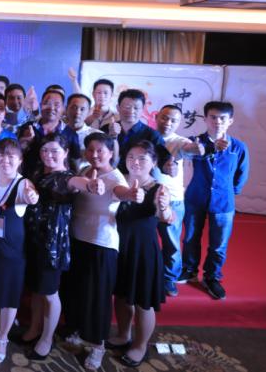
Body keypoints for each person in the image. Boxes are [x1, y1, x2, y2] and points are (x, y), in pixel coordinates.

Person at [22, 134, 104, 361]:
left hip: (53, 244)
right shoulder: (38, 173)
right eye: (45, 150)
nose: (49, 155)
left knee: (50, 293)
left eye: (55, 151)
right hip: (33, 238)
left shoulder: (67, 177)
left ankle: (47, 338)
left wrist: (91, 185)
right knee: (37, 289)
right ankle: (34, 328)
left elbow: (79, 183)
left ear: (66, 153)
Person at [63, 132, 140, 370]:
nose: (94, 154)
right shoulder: (85, 170)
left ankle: (98, 345)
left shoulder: (115, 177)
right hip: (77, 239)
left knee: (98, 297)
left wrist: (131, 194)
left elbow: (121, 191)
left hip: (101, 244)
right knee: (78, 290)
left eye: (100, 150)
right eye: (90, 150)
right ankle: (77, 329)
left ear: (110, 152)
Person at [108, 141, 173, 368]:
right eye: (131, 157)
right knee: (121, 295)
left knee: (143, 302)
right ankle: (123, 334)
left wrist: (164, 207)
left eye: (142, 158)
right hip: (117, 246)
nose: (135, 162)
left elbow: (167, 218)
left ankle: (140, 345)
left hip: (143, 251)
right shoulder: (118, 180)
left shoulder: (159, 188)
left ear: (153, 163)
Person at [179, 101, 249, 300]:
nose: (217, 122)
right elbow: (189, 154)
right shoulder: (194, 142)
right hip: (195, 198)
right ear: (205, 119)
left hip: (224, 202)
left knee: (219, 244)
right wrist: (211, 147)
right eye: (213, 117)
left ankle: (212, 277)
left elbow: (242, 174)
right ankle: (189, 270)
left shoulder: (238, 147)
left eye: (222, 118)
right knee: (190, 238)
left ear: (230, 121)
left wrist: (230, 192)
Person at [0, 138, 38, 364]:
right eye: (1, 155)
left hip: (12, 253)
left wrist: (32, 197)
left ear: (20, 160)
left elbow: (32, 196)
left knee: (8, 296)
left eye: (11, 156)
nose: (6, 160)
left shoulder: (23, 183)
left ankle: (2, 338)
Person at [154, 104, 202, 297]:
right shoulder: (147, 138)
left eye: (174, 120)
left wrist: (198, 148)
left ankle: (169, 278)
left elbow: (189, 149)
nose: (168, 123)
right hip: (145, 198)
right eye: (165, 118)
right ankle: (147, 273)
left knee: (171, 243)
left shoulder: (180, 141)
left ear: (179, 123)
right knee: (145, 241)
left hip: (172, 200)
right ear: (156, 117)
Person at [102, 89, 171, 175]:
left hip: (139, 180)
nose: (131, 111)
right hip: (108, 177)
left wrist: (168, 166)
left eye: (136, 108)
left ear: (142, 109)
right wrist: (111, 136)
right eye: (127, 107)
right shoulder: (106, 129)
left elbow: (163, 157)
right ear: (118, 108)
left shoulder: (152, 135)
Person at [18, 89, 81, 176]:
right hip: (29, 179)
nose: (51, 108)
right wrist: (24, 142)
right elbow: (16, 155)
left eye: (56, 104)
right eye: (47, 103)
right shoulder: (27, 128)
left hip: (60, 180)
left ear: (63, 108)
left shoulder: (70, 134)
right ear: (40, 105)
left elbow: (75, 162)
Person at [65, 93, 101, 170]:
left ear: (88, 112)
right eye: (74, 108)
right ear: (66, 109)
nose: (78, 112)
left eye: (82, 109)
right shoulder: (58, 132)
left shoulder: (97, 135)